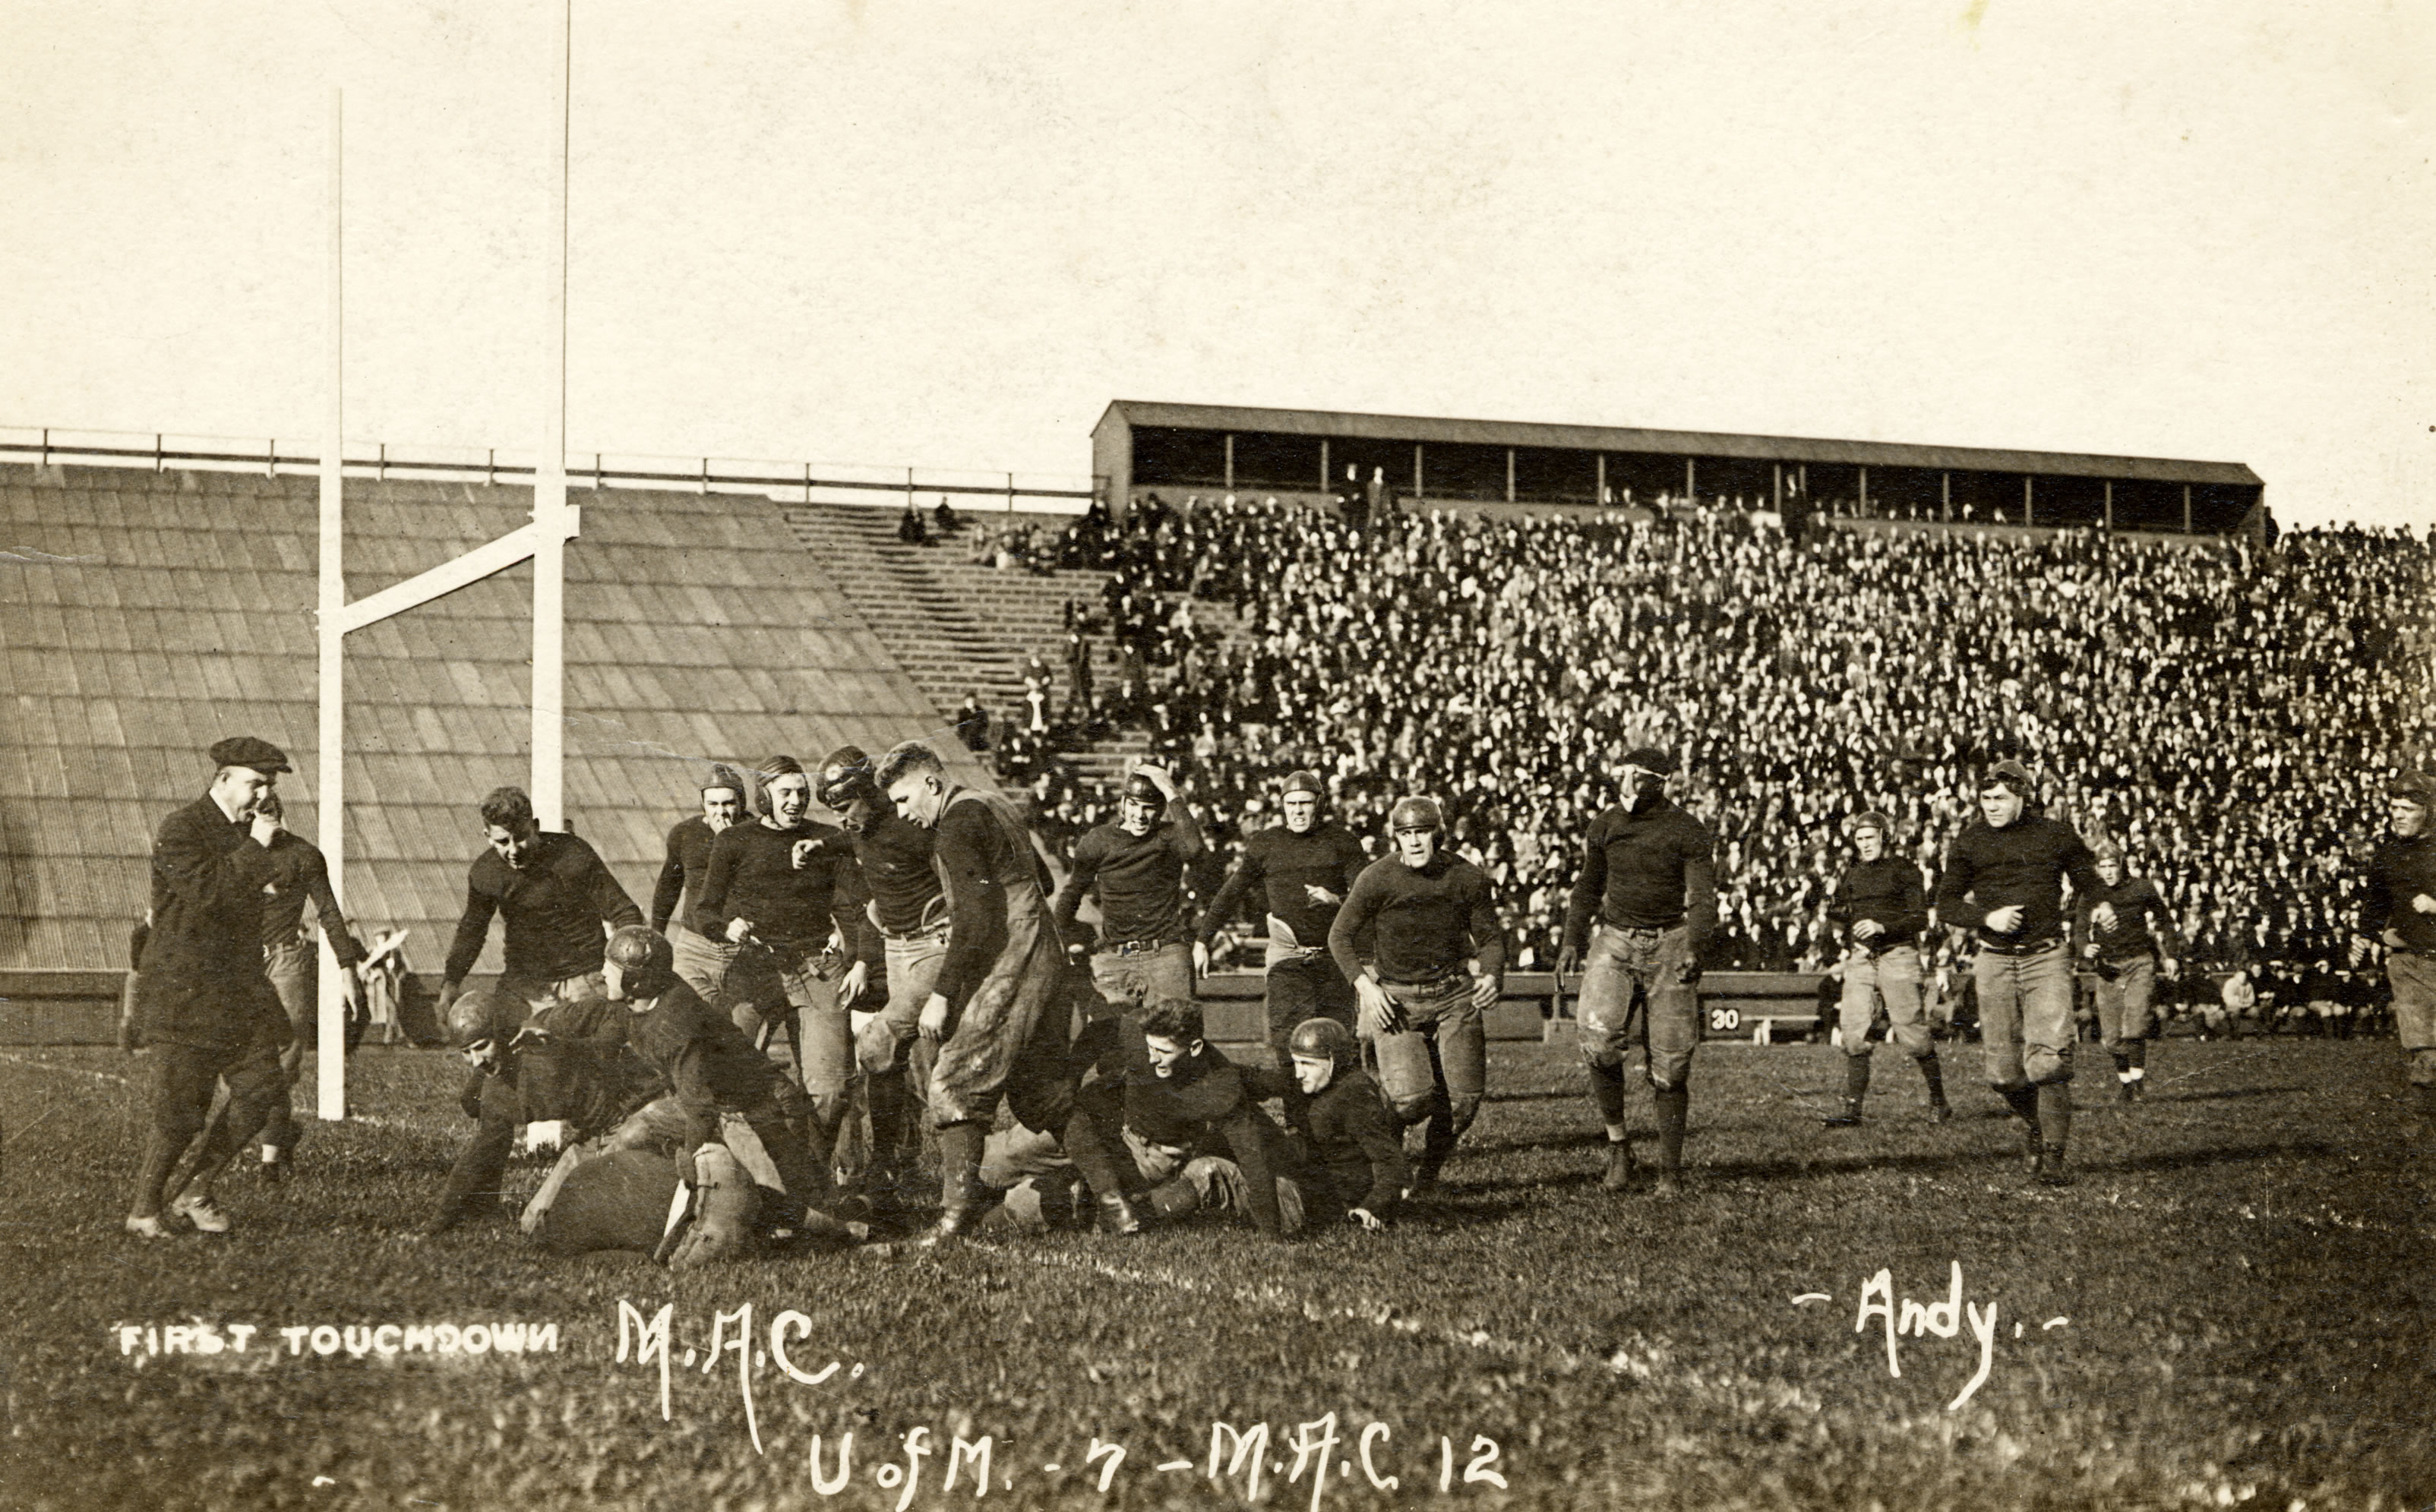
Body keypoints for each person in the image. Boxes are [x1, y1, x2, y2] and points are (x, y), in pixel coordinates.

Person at [877, 739, 1083, 1244]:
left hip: (1012, 963)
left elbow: (975, 918)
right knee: (1042, 1095)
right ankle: (1120, 1198)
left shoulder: (954, 824)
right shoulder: (995, 802)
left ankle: (954, 1218)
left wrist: (944, 993)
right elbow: (1045, 883)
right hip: (1046, 955)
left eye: (904, 800)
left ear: (931, 782)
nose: (903, 815)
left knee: (953, 1082)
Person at [123, 737, 299, 1238]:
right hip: (185, 990)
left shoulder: (251, 833)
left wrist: (268, 845)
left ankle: (195, 1189)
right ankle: (143, 1210)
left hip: (236, 990)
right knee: (181, 1112)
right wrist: (260, 844)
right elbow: (213, 894)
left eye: (269, 785)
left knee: (263, 1088)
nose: (263, 795)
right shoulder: (183, 828)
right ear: (222, 780)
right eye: (254, 783)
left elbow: (275, 885)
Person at [697, 755, 880, 1201]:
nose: (796, 801)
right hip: (756, 968)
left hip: (818, 967)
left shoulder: (827, 840)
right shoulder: (734, 841)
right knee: (719, 1074)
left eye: (802, 792)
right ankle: (726, 1181)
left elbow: (858, 910)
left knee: (831, 1091)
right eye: (785, 793)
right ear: (763, 798)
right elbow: (704, 910)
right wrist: (727, 926)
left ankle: (808, 1188)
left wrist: (859, 962)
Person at [1935, 759, 2111, 1188]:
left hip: (2045, 957)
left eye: (2000, 798)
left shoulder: (2055, 834)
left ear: (2023, 796)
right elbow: (1946, 903)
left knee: (2048, 1061)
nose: (1991, 806)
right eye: (1985, 798)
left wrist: (2103, 903)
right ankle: (2037, 1124)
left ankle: (2054, 1154)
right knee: (2003, 1074)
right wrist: (1986, 918)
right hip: (1994, 958)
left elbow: (2089, 878)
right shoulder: (1971, 840)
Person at [1555, 749, 1716, 1198]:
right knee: (1598, 1039)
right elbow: (1587, 886)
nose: (1624, 783)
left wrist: (1697, 944)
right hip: (1616, 938)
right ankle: (1619, 1147)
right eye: (1621, 774)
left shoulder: (1686, 829)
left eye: (1634, 776)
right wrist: (1571, 940)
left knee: (1671, 1063)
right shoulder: (1605, 825)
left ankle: (1670, 1171)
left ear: (1658, 782)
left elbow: (1702, 896)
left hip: (1670, 939)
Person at [1327, 794, 1503, 1195]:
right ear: (1396, 839)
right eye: (1406, 834)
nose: (1415, 842)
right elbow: (1339, 936)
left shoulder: (1466, 876)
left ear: (1437, 835)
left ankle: (1428, 1178)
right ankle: (1386, 1162)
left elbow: (1491, 938)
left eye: (1422, 832)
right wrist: (1366, 988)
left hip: (1454, 992)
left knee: (1462, 1102)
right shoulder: (1377, 878)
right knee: (1410, 1101)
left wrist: (1493, 974)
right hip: (1397, 998)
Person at [813, 744, 949, 1216]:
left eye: (845, 807)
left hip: (933, 943)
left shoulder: (912, 825)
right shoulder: (859, 828)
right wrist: (819, 843)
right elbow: (852, 841)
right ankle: (893, 1165)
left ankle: (919, 1166)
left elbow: (957, 869)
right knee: (894, 1059)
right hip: (896, 947)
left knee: (888, 1047)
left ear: (868, 793)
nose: (842, 819)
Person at [417, 983, 659, 1236]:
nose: (477, 1061)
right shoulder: (496, 1092)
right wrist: (438, 1223)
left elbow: (613, 1011)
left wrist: (597, 1051)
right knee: (537, 1224)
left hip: (643, 1108)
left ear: (500, 1032)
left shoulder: (548, 1024)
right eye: (466, 1052)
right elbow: (479, 1155)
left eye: (481, 1046)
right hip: (595, 1135)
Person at [212, 791, 368, 1180]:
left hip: (286, 959)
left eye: (270, 810)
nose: (264, 817)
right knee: (234, 1062)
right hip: (239, 961)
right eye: (255, 811)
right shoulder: (231, 853)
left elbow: (329, 911)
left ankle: (270, 1161)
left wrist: (348, 970)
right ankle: (280, 1130)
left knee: (282, 1061)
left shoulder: (303, 855)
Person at [1194, 769, 1370, 1115]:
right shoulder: (1266, 843)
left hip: (1334, 957)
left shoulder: (1342, 841)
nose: (1298, 811)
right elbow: (1231, 892)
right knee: (1291, 1044)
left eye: (1305, 803)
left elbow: (1368, 897)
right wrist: (1203, 939)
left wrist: (1337, 900)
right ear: (1282, 806)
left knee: (1340, 1045)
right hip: (1288, 958)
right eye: (1291, 804)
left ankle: (1346, 1128)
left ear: (1319, 804)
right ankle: (1300, 1129)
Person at [438, 785, 643, 1019]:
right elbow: (472, 930)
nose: (514, 850)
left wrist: (622, 970)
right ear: (488, 837)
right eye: (503, 841)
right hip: (524, 984)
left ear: (535, 827)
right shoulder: (485, 873)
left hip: (585, 978)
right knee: (507, 1046)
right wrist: (451, 982)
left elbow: (625, 912)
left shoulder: (573, 854)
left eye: (522, 837)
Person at [1819, 811, 1948, 1126]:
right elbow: (1844, 913)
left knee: (1913, 1034)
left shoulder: (1904, 870)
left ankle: (1939, 1100)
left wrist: (1882, 926)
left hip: (1898, 954)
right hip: (1863, 959)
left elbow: (1919, 919)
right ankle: (1853, 1110)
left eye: (1870, 838)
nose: (1865, 845)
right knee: (1853, 1033)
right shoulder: (1853, 873)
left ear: (1884, 838)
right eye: (1859, 839)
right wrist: (1838, 921)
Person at [1054, 764, 1205, 1015]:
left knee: (1176, 1041)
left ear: (1161, 809)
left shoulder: (1168, 838)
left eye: (1149, 807)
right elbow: (1072, 893)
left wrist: (1169, 788)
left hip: (1165, 955)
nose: (1140, 815)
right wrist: (1061, 940)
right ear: (1123, 804)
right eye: (1133, 805)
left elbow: (1196, 848)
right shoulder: (1099, 839)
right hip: (1114, 958)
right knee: (1108, 1044)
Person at [2363, 771, 2436, 1158]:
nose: (2399, 815)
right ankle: (2421, 1132)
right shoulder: (2388, 853)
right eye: (2394, 808)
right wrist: (2371, 935)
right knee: (2424, 1050)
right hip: (2409, 963)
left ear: (2429, 812)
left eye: (2408, 809)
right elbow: (2373, 906)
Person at [2076, 840, 2182, 1103]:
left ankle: (2138, 1084)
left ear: (2122, 865)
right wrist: (2084, 948)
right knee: (2111, 1039)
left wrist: (2171, 955)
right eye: (2103, 867)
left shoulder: (2141, 888)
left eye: (2113, 865)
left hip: (2139, 962)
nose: (2108, 872)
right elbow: (2079, 930)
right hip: (2108, 967)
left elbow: (2165, 920)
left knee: (2134, 1026)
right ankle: (2126, 1084)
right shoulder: (2090, 893)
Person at [1281, 1016, 1404, 1229]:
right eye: (1296, 1063)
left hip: (1333, 1196)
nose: (1299, 1073)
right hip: (1315, 1183)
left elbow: (1390, 1159)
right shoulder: (1320, 1085)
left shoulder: (1354, 1094)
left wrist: (1372, 1207)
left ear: (1333, 1060)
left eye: (1307, 1064)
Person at [649, 764, 754, 1007]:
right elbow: (668, 887)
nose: (721, 812)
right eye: (713, 804)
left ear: (742, 803)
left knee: (739, 1034)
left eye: (728, 803)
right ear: (703, 804)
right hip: (695, 947)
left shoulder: (757, 834)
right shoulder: (685, 834)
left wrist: (730, 844)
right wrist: (657, 934)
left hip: (743, 951)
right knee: (687, 1015)